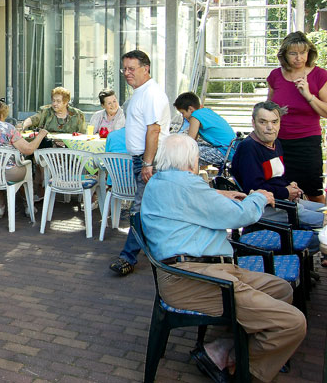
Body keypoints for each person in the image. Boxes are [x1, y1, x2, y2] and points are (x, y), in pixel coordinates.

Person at [141, 133, 306, 383]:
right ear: (191, 161)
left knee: (280, 289)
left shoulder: (160, 181)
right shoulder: (187, 185)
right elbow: (241, 216)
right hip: (196, 278)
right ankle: (244, 368)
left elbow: (192, 202)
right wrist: (260, 196)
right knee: (293, 323)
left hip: (200, 271)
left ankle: (221, 348)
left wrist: (218, 194)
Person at [108, 49, 171, 276]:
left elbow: (154, 130)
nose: (126, 73)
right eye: (124, 69)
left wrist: (147, 163)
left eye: (131, 69)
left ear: (146, 69)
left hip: (149, 160)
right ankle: (161, 252)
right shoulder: (141, 92)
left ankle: (128, 257)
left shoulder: (151, 94)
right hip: (143, 159)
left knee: (138, 210)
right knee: (150, 209)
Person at [231, 101, 325, 229]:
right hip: (263, 207)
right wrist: (285, 192)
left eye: (274, 122)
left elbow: (276, 177)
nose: (270, 127)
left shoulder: (276, 143)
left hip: (282, 200)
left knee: (323, 209)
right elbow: (253, 188)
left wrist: (289, 185)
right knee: (323, 220)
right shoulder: (249, 148)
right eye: (263, 122)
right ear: (253, 123)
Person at [267, 31, 327, 204]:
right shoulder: (275, 75)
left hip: (306, 142)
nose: (299, 58)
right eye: (293, 53)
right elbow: (268, 106)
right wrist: (276, 111)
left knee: (312, 189)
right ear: (285, 55)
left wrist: (308, 95)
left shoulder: (319, 75)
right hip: (278, 143)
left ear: (309, 53)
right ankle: (292, 227)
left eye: (303, 53)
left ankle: (321, 226)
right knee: (282, 188)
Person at [173, 92, 235, 167]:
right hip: (231, 149)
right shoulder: (206, 111)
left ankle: (186, 175)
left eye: (183, 113)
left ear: (190, 109)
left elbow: (190, 141)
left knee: (184, 152)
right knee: (193, 147)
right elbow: (194, 141)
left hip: (224, 152)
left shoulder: (195, 116)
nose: (183, 116)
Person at [21, 86, 86, 135]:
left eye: (58, 101)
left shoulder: (77, 114)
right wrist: (23, 127)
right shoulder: (45, 111)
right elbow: (33, 119)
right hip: (48, 146)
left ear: (66, 102)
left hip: (70, 148)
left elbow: (82, 135)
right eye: (53, 101)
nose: (54, 104)